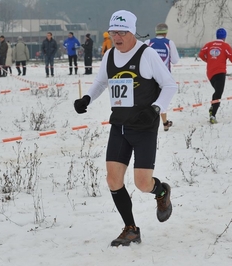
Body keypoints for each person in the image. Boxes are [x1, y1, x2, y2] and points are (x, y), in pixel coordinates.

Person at [73, 10, 177, 247]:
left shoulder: (147, 54)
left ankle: (161, 192)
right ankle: (131, 229)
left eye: (122, 32)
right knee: (113, 180)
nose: (117, 37)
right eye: (113, 32)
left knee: (142, 184)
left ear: (132, 32)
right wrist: (87, 99)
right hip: (119, 125)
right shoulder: (110, 55)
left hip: (144, 127)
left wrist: (156, 108)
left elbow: (170, 85)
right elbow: (101, 82)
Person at [145, 23, 179, 131]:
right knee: (162, 100)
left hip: (149, 76)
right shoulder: (169, 43)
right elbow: (175, 60)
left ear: (156, 31)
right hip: (164, 77)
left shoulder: (148, 42)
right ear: (166, 32)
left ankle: (152, 122)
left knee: (148, 100)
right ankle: (164, 123)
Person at [199, 28, 232, 124]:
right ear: (224, 37)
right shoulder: (225, 46)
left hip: (210, 73)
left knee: (217, 92)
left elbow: (201, 54)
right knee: (218, 93)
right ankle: (213, 114)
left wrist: (209, 60)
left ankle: (212, 107)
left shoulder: (209, 45)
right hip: (220, 72)